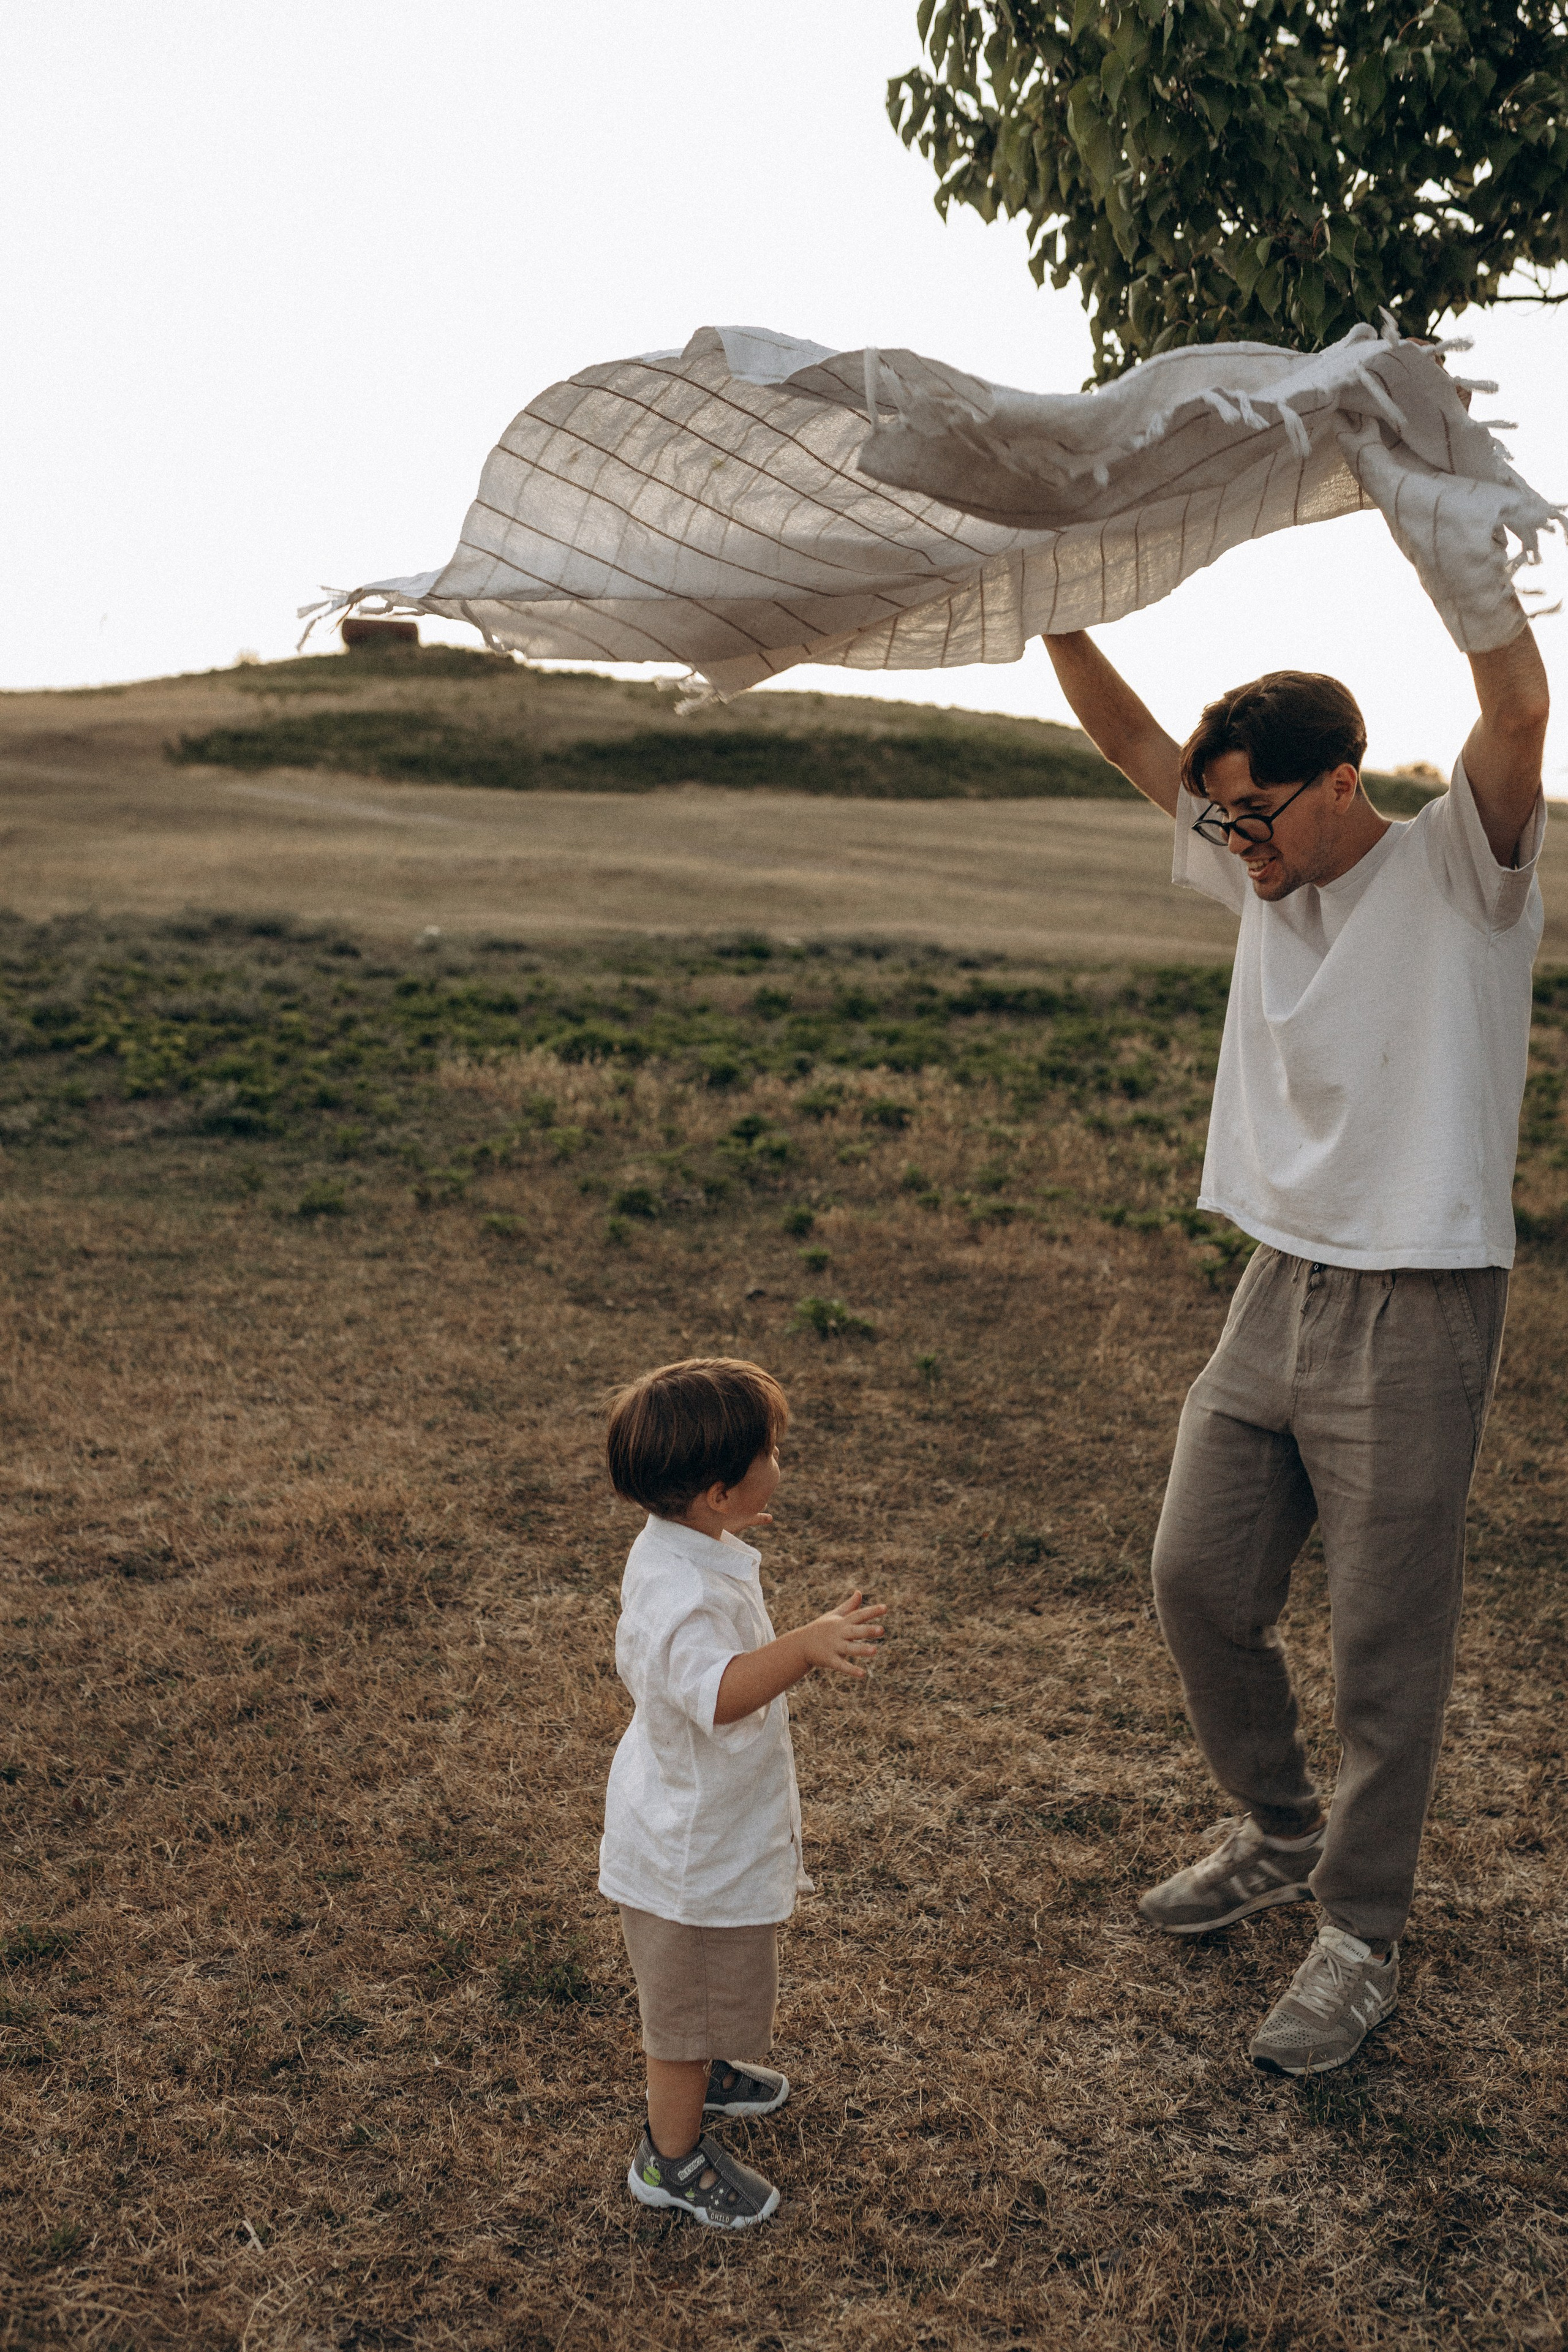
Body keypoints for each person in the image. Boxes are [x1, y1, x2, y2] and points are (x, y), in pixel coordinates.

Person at [1042, 616, 1548, 2075]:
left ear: (1341, 779)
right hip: (1280, 1282)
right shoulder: (1256, 858)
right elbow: (1129, 740)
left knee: (1383, 1641)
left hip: (1421, 1288)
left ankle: (1358, 1935)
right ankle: (1276, 1829)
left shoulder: (1465, 865)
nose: (1232, 843)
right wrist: (1050, 596)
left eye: (1255, 813)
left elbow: (1515, 703)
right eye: (1221, 820)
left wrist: (1443, 538)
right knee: (1195, 1579)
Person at [599, 1355, 886, 2224]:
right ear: (719, 1492)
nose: (781, 1462)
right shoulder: (680, 1592)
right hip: (684, 1854)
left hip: (712, 1828)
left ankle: (709, 2074)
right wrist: (802, 1646)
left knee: (726, 1966)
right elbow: (717, 1692)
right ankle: (670, 2158)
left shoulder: (696, 1542)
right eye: (771, 1450)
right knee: (680, 2014)